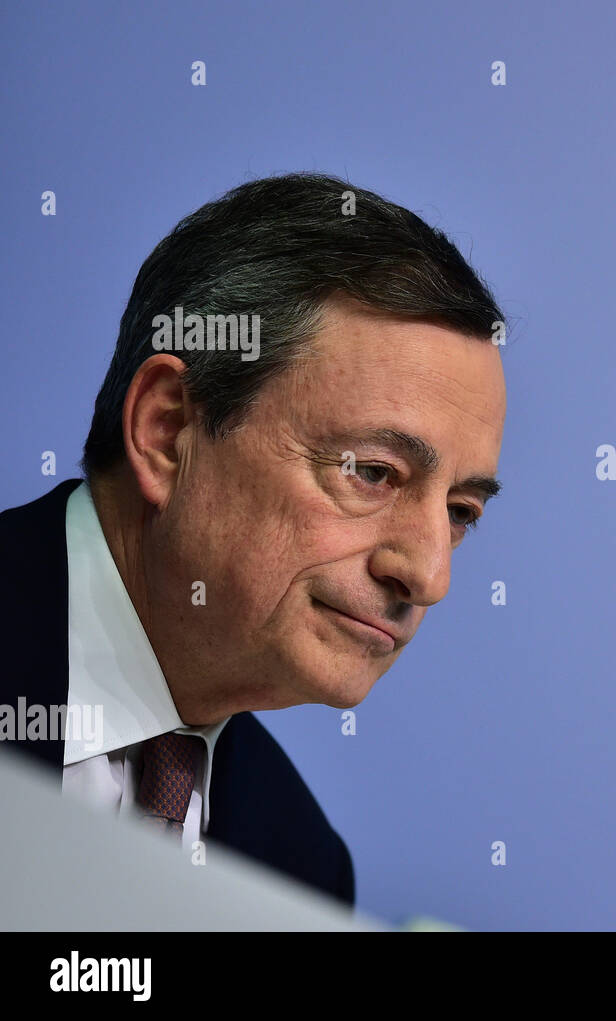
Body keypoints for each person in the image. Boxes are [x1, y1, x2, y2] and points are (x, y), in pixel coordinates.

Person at [0, 173, 508, 906]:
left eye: (461, 512)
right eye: (372, 471)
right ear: (169, 432)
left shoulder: (301, 865)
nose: (429, 574)